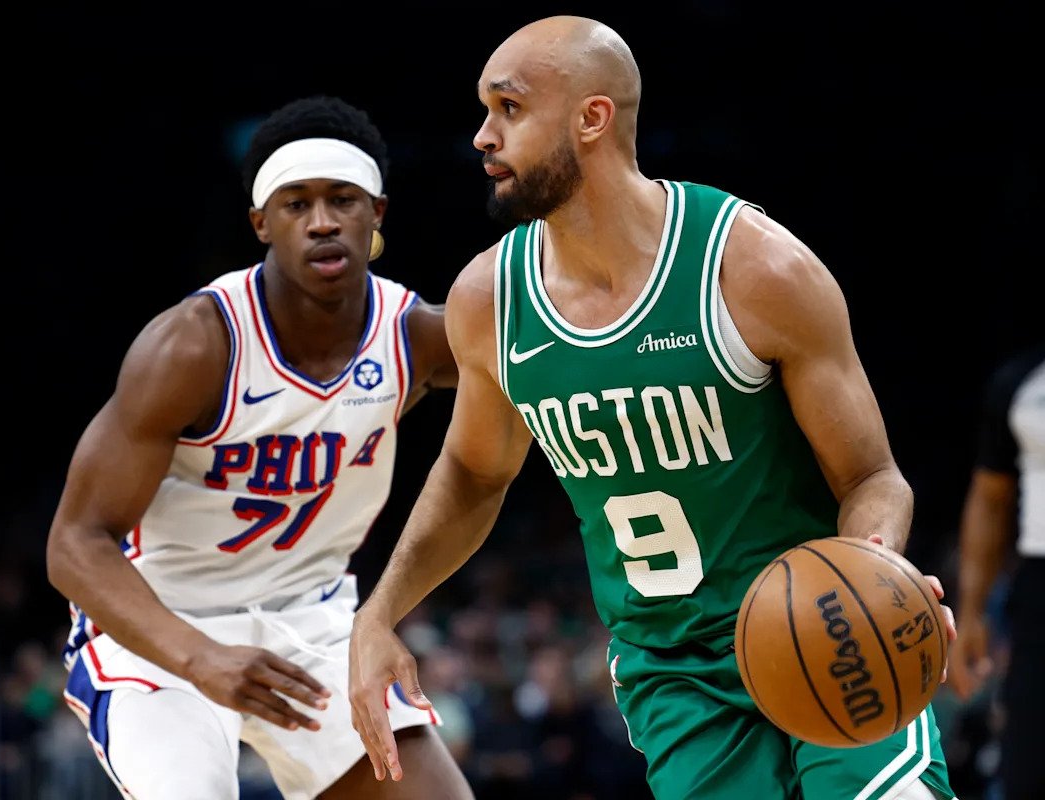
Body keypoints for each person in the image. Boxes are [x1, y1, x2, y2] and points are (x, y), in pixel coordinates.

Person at [348, 16, 958, 800]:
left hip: (827, 630)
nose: (482, 136)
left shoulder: (754, 268)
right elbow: (473, 473)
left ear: (592, 118)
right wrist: (380, 615)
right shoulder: (489, 299)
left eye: (509, 108)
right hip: (675, 676)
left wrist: (875, 575)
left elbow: (872, 476)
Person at [45, 95, 472, 800]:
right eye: (297, 204)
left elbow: (551, 361)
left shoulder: (415, 337)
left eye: (342, 200)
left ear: (377, 214)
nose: (322, 221)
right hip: (162, 627)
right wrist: (199, 657)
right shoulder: (193, 345)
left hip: (311, 618)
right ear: (261, 223)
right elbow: (73, 544)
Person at [949, 342, 1045, 800]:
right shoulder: (1022, 383)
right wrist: (971, 614)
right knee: (1026, 773)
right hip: (1039, 590)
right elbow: (990, 499)